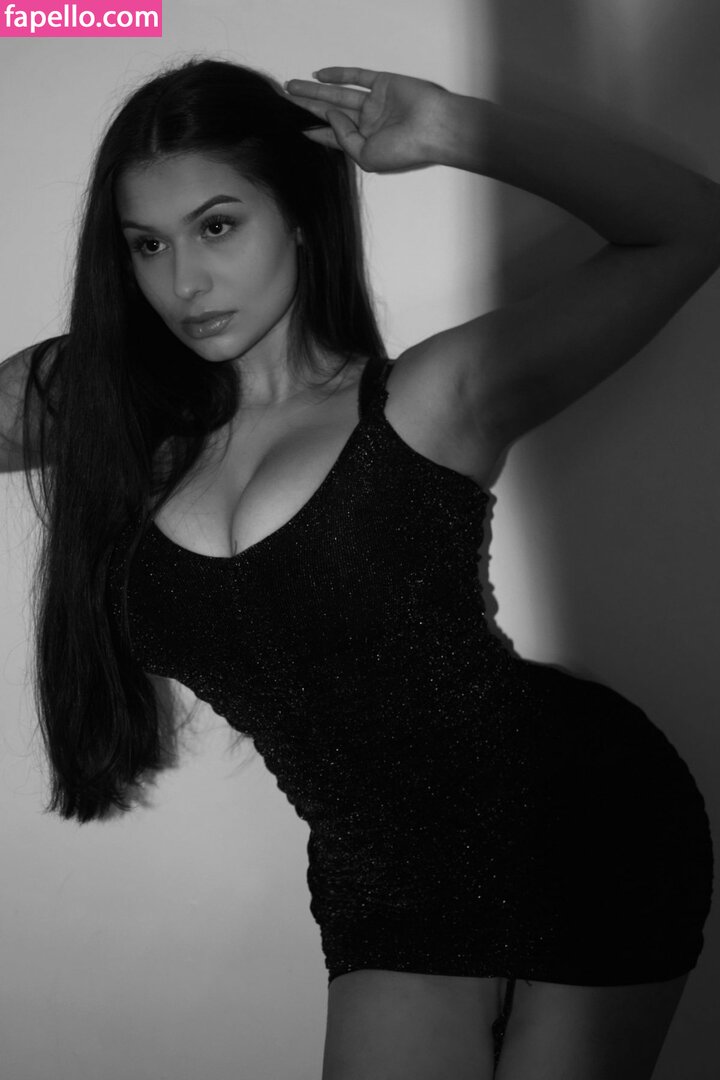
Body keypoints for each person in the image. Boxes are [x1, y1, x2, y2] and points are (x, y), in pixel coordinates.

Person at [1, 56, 718, 1080]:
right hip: (378, 879)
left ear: (299, 214)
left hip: (580, 824)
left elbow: (690, 226)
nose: (184, 282)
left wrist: (455, 130)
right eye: (147, 245)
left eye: (217, 226)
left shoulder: (428, 402)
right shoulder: (128, 426)